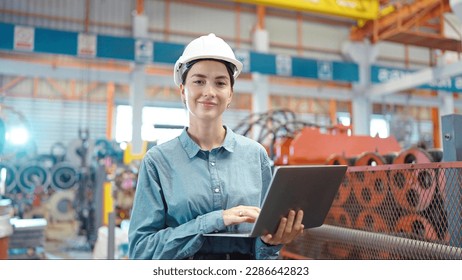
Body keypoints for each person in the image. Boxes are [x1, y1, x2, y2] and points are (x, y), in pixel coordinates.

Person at [128, 33, 304, 260]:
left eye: (220, 83)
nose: (209, 91)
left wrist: (272, 242)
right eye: (199, 81)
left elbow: (264, 249)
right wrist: (217, 219)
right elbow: (141, 251)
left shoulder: (255, 156)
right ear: (183, 90)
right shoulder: (158, 161)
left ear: (230, 93)